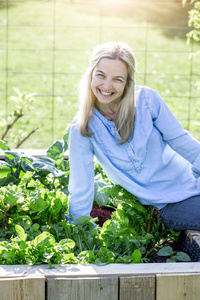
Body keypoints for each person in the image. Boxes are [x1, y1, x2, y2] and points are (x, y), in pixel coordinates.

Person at [67, 41, 200, 231]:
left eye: (117, 79)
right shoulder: (82, 128)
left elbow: (182, 142)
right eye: (100, 75)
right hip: (164, 205)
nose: (106, 85)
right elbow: (81, 185)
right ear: (91, 75)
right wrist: (76, 231)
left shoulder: (147, 100)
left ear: (127, 82)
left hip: (192, 182)